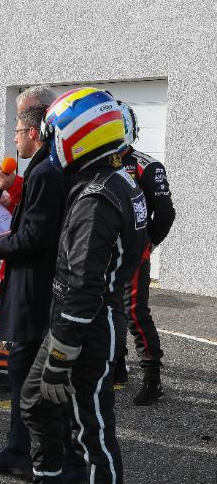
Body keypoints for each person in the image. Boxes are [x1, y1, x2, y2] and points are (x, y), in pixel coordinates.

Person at [21, 87, 148, 483]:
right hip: (78, 324)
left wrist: (61, 355)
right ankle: (50, 475)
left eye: (53, 132)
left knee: (92, 432)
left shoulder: (98, 196)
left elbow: (84, 283)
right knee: (35, 402)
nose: (48, 140)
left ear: (77, 135)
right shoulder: (113, 179)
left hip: (86, 328)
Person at [0, 86, 66, 479]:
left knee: (25, 377)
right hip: (37, 288)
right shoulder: (43, 168)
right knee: (28, 377)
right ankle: (24, 449)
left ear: (33, 130)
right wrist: (9, 192)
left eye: (16, 129)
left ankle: (26, 453)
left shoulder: (46, 170)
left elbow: (35, 237)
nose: (12, 137)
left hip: (34, 290)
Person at [114, 101, 176, 405]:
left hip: (134, 255)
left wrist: (148, 243)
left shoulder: (147, 165)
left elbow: (165, 213)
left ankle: (153, 379)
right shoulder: (98, 163)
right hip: (103, 252)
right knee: (105, 309)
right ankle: (117, 368)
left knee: (135, 313)